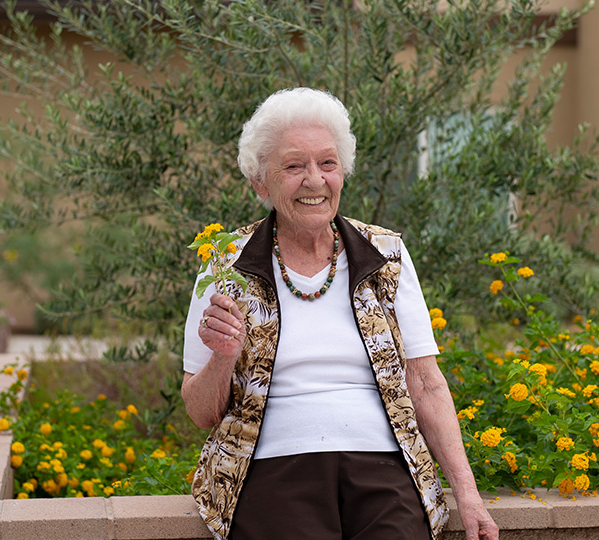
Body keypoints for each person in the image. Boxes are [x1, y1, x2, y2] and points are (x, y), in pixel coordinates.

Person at [181, 87, 498, 540]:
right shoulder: (225, 265)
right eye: (293, 166)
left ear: (343, 172)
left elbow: (425, 383)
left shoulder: (386, 255)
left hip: (384, 465)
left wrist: (467, 494)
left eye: (327, 163)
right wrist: (224, 356)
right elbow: (200, 412)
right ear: (260, 182)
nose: (314, 180)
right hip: (270, 466)